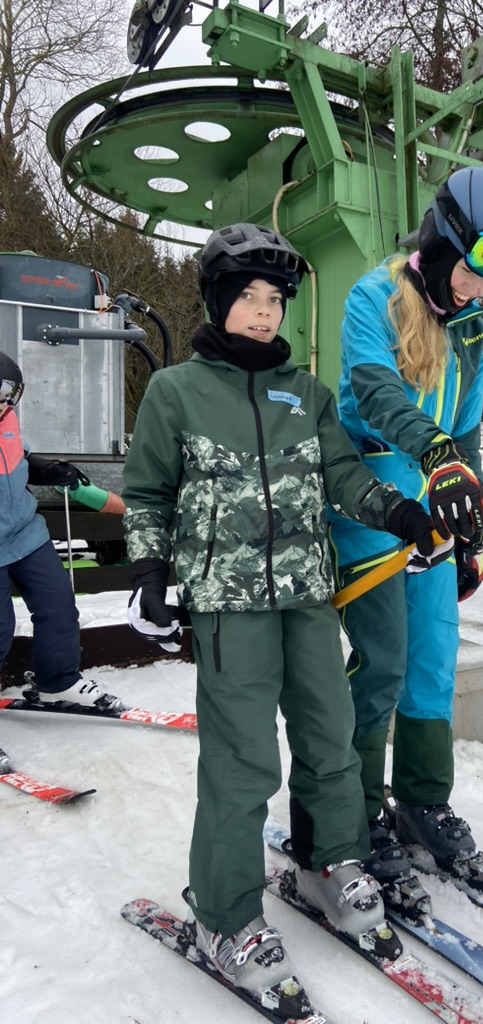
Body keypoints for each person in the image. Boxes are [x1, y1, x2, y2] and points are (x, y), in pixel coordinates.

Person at [121, 223, 443, 1014]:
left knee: (330, 739)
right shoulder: (176, 392)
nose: (265, 315)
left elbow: (342, 474)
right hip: (229, 608)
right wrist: (150, 572)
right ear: (218, 301)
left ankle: (328, 860)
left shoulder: (308, 394)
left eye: (275, 302)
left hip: (306, 595)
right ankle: (225, 918)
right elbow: (151, 490)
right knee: (240, 764)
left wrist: (400, 512)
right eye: (250, 300)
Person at [328, 166, 483, 916]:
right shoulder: (371, 297)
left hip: (440, 509)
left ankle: (422, 802)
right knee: (380, 660)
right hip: (376, 500)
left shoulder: (474, 328)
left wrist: (468, 517)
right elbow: (376, 392)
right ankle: (356, 809)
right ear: (445, 239)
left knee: (432, 657)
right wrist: (433, 453)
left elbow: (470, 429)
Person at [0, 351, 121, 708]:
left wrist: (49, 470)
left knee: (59, 608)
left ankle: (59, 680)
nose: (3, 402)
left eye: (10, 394)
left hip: (25, 535)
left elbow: (17, 458)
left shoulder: (7, 419)